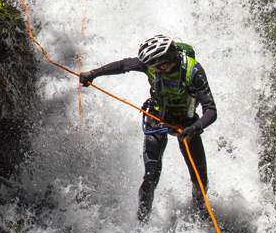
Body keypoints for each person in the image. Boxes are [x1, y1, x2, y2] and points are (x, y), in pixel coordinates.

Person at [80, 34, 217, 222]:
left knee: (200, 180)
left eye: (155, 66)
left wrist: (194, 128)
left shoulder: (193, 71)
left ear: (166, 62)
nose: (151, 69)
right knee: (151, 175)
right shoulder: (151, 63)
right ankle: (142, 220)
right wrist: (93, 73)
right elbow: (123, 66)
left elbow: (211, 111)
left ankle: (200, 210)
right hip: (156, 119)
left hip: (187, 124)